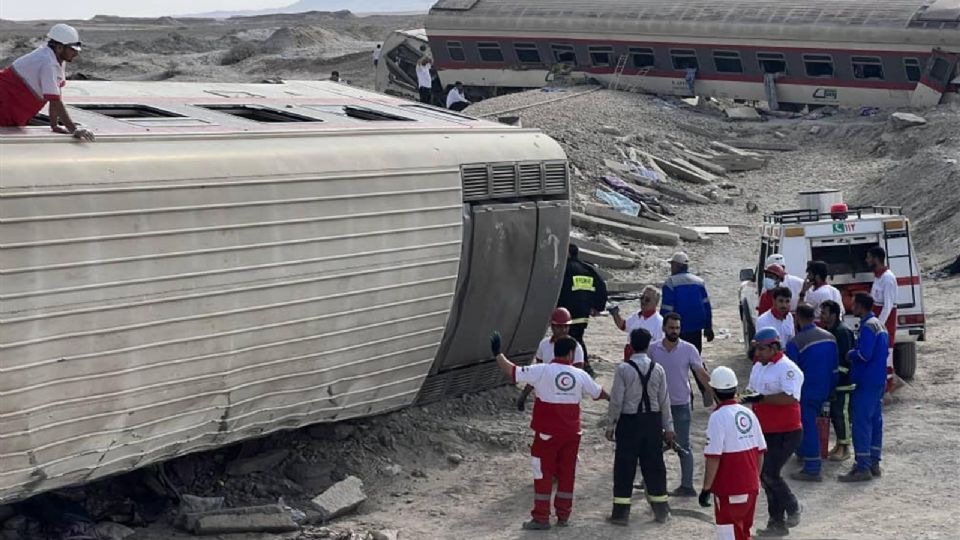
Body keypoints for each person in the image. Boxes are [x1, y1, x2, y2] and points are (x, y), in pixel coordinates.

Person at [490, 332, 608, 529]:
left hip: (547, 434)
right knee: (567, 474)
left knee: (543, 474)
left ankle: (541, 517)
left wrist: (497, 353)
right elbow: (599, 393)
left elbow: (512, 371)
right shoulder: (580, 375)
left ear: (554, 351)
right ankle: (563, 516)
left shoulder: (542, 371)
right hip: (572, 434)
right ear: (571, 354)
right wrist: (617, 400)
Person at [606, 328, 674, 525]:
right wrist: (668, 427)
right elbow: (664, 401)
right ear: (647, 346)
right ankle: (661, 511)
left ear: (630, 346)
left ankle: (620, 514)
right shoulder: (658, 369)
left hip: (629, 423)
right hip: (652, 423)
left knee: (624, 468)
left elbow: (616, 400)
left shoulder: (623, 369)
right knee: (654, 467)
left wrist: (611, 425)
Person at [743, 327, 803, 536]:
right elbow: (751, 391)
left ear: (773, 347)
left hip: (787, 432)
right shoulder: (759, 366)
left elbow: (790, 398)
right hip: (764, 431)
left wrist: (761, 399)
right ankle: (776, 523)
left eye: (761, 349)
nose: (757, 354)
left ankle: (793, 506)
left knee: (769, 472)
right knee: (766, 476)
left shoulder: (788, 369)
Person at [648, 313, 714, 497]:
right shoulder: (652, 350)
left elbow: (701, 373)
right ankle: (651, 483)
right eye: (671, 328)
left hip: (681, 405)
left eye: (677, 328)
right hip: (657, 406)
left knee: (683, 446)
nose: (674, 331)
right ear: (664, 329)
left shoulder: (689, 349)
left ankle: (687, 486)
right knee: (652, 446)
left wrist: (718, 395)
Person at [699, 366, 766, 540]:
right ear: (735, 389)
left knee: (729, 534)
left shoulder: (718, 417)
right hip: (751, 486)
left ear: (714, 391)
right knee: (744, 532)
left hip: (729, 488)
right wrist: (754, 480)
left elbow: (713, 458)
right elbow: (760, 452)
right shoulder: (748, 413)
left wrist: (706, 489)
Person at [0, 24, 94, 140]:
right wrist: (73, 129)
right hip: (5, 103)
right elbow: (55, 101)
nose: (76, 53)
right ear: (59, 47)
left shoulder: (56, 59)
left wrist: (54, 125)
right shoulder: (48, 62)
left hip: (13, 107)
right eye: (72, 49)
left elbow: (55, 94)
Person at [838, 293, 889, 482]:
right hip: (878, 379)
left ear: (860, 306)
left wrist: (850, 354)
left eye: (854, 304)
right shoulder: (879, 324)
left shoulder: (868, 327)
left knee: (861, 423)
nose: (852, 306)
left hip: (866, 381)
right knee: (875, 422)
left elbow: (865, 354)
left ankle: (862, 467)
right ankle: (874, 462)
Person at [785, 303, 838, 482]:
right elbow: (834, 369)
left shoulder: (796, 342)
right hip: (825, 389)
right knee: (813, 425)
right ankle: (804, 453)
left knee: (808, 427)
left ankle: (812, 468)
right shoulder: (830, 337)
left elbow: (791, 372)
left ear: (798, 318)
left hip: (806, 391)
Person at [660, 251, 713, 405]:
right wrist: (708, 327)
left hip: (676, 330)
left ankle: (686, 397)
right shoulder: (699, 282)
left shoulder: (670, 283)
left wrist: (663, 328)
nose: (671, 267)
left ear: (677, 265)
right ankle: (707, 391)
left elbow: (666, 309)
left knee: (678, 364)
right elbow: (707, 306)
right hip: (696, 329)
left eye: (672, 264)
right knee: (696, 361)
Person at [516, 307, 586, 411]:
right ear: (552, 326)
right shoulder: (544, 345)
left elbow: (578, 376)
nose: (563, 330)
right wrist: (524, 395)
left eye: (566, 327)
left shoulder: (576, 348)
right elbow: (537, 373)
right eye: (559, 327)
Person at [557, 244, 607, 377]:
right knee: (577, 336)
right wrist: (598, 307)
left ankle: (583, 366)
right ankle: (580, 366)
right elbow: (601, 287)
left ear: (568, 253)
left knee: (573, 338)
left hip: (568, 312)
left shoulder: (565, 269)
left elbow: (559, 290)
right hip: (583, 313)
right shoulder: (588, 269)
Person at [820, 300, 856, 462]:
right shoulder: (831, 331)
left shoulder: (842, 332)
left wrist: (837, 375)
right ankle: (839, 444)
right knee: (835, 414)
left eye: (824, 313)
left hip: (844, 382)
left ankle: (845, 447)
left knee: (842, 414)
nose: (822, 316)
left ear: (834, 314)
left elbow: (846, 359)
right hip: (834, 381)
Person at [866, 246, 899, 392]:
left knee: (886, 357)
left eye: (868, 257)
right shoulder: (878, 277)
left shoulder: (888, 278)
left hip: (885, 325)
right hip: (879, 323)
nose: (866, 260)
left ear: (876, 259)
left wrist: (877, 325)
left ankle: (887, 389)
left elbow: (888, 306)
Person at [609, 285, 664, 359]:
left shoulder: (659, 322)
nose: (643, 301)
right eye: (642, 298)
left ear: (656, 303)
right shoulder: (637, 315)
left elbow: (661, 348)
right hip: (630, 358)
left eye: (647, 299)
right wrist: (615, 314)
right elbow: (624, 326)